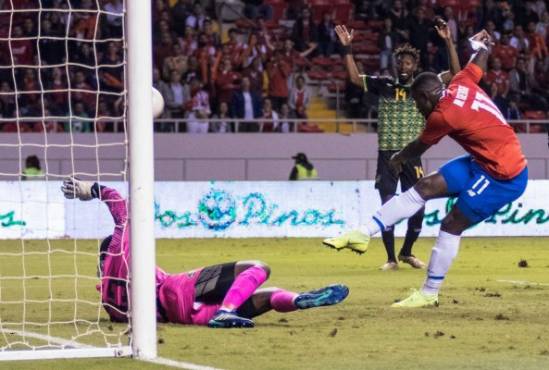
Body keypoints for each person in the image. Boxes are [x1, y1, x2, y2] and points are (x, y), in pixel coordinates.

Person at [323, 30, 528, 308]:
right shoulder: (461, 81)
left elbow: (417, 148)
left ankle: (430, 292)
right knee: (425, 187)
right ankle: (362, 232)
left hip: (503, 175)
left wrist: (396, 159)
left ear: (425, 97)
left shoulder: (443, 115)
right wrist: (482, 43)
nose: (416, 107)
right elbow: (481, 57)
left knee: (451, 223)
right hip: (483, 161)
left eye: (417, 102)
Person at [61, 177, 348, 328]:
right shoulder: (120, 257)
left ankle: (297, 299)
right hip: (178, 290)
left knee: (266, 297)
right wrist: (92, 189)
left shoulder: (111, 304)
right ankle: (227, 311)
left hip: (185, 316)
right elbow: (122, 211)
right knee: (258, 268)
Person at [333, 20, 460, 271]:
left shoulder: (424, 86)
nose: (403, 66)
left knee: (419, 205)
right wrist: (348, 49)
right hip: (387, 154)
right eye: (400, 62)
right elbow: (354, 78)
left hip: (412, 155)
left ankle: (407, 252)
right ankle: (391, 258)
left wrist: (448, 41)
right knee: (388, 205)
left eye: (408, 63)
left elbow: (455, 74)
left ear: (415, 67)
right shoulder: (384, 84)